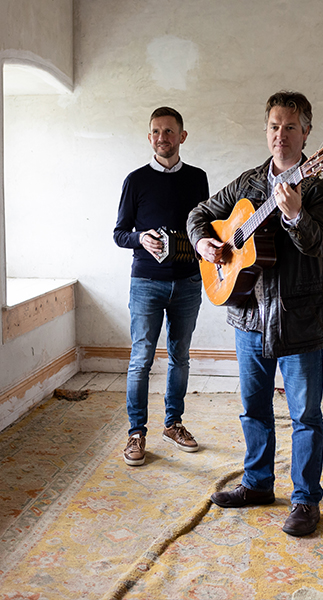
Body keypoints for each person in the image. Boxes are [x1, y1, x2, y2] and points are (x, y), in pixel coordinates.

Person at [187, 91, 323, 536]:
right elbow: (200, 213)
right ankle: (257, 484)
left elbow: (319, 248)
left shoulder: (319, 187)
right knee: (254, 408)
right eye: (274, 126)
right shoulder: (250, 182)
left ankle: (306, 500)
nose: (281, 135)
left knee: (305, 415)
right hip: (249, 315)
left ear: (307, 133)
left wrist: (295, 217)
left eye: (290, 127)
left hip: (299, 319)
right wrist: (204, 244)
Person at [114, 107, 209, 467]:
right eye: (155, 131)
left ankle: (174, 423)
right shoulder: (135, 180)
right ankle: (136, 432)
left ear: (182, 136)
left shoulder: (198, 179)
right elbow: (119, 233)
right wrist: (142, 239)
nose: (162, 138)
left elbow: (206, 226)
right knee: (140, 360)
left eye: (169, 132)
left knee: (180, 357)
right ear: (149, 136)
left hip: (188, 281)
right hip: (146, 283)